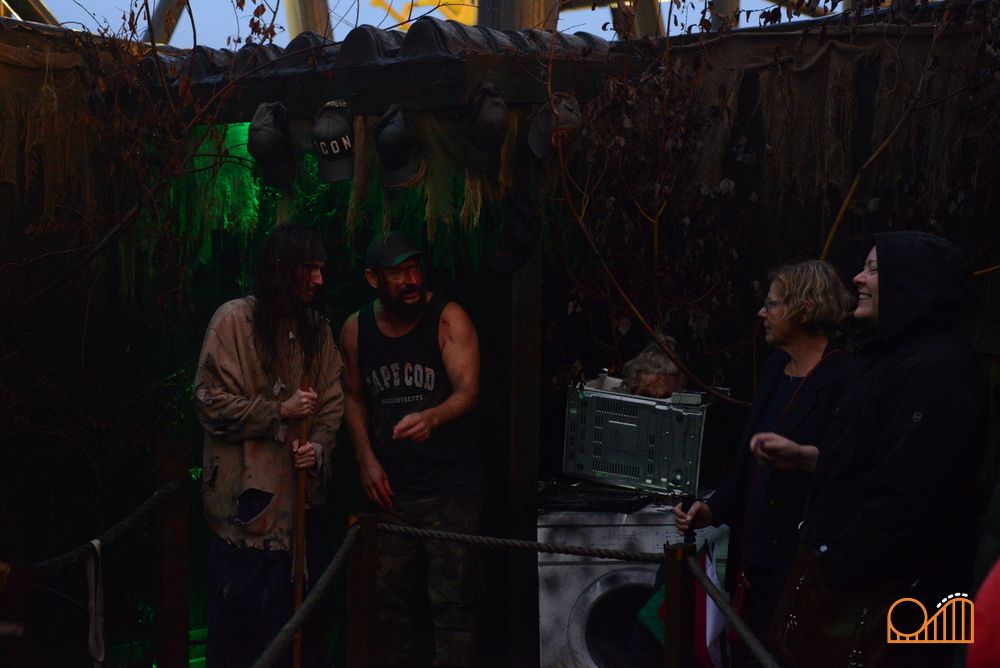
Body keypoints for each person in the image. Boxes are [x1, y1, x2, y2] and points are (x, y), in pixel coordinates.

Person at [767, 232, 987, 668]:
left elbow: (908, 496)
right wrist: (810, 459)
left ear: (911, 280)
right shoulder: (894, 359)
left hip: (882, 611)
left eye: (873, 268)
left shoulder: (936, 371)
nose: (858, 278)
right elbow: (872, 459)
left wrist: (836, 566)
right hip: (853, 595)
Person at [673, 260, 860, 659]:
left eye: (772, 304)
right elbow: (748, 460)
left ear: (803, 310)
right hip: (751, 558)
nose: (762, 312)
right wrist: (714, 507)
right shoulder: (776, 368)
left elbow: (850, 468)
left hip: (799, 565)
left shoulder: (845, 377)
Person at [193, 224, 344, 667]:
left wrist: (317, 448)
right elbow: (209, 403)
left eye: (321, 268)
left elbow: (331, 405)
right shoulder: (233, 322)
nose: (319, 279)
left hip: (301, 517)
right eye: (309, 268)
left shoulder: (317, 331)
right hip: (245, 520)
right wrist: (278, 411)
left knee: (301, 636)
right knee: (242, 640)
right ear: (280, 269)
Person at [341, 231, 481, 668]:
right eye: (399, 273)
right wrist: (365, 460)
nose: (412, 280)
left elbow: (468, 390)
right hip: (390, 489)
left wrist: (433, 417)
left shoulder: (447, 318)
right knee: (384, 605)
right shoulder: (356, 328)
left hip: (449, 486)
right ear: (373, 279)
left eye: (415, 269)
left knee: (453, 604)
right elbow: (352, 396)